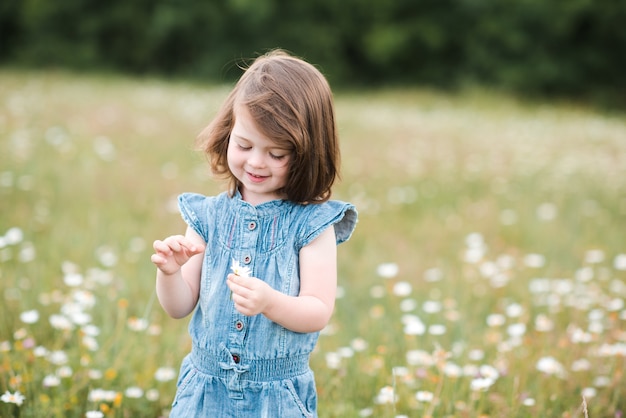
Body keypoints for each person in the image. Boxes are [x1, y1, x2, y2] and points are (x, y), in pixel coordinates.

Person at [150, 50, 358, 417]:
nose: (257, 162)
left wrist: (270, 303)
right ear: (228, 133)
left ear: (308, 153)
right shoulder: (207, 216)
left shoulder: (312, 225)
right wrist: (169, 273)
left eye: (277, 153)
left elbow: (318, 310)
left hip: (275, 398)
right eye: (244, 145)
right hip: (205, 392)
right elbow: (178, 306)